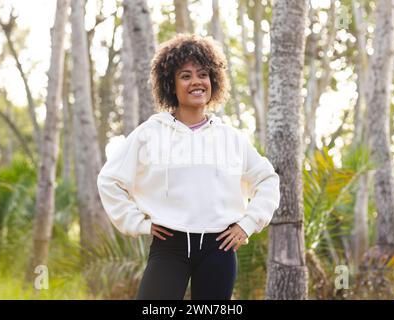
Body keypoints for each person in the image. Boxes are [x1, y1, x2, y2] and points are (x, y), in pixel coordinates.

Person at [97, 34, 280, 300]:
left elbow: (267, 181)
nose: (196, 81)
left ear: (213, 81)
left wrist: (247, 225)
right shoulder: (150, 133)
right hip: (169, 246)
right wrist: (138, 223)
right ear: (171, 84)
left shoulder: (231, 138)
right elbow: (109, 180)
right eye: (185, 75)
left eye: (203, 74)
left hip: (219, 248)